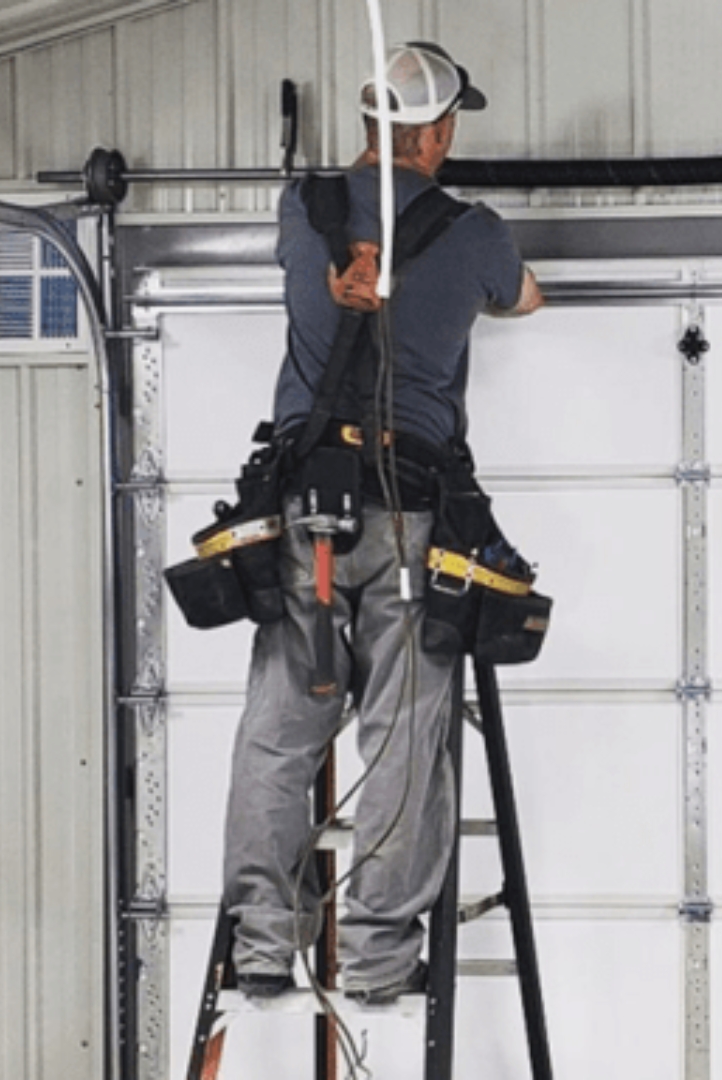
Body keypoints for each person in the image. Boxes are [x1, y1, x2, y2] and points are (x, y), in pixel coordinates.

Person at [222, 41, 543, 1005]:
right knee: (403, 741)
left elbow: (323, 268)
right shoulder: (475, 231)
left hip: (302, 520)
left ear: (371, 127)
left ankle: (261, 949)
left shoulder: (304, 210)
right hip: (406, 520)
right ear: (438, 133)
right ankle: (375, 960)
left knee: (278, 739)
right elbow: (525, 298)